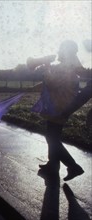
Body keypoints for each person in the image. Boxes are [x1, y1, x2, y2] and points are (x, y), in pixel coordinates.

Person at [29, 40, 85, 181]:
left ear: (66, 51)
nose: (58, 52)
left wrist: (47, 67)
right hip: (59, 105)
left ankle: (73, 166)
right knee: (52, 137)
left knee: (52, 139)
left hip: (59, 107)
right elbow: (50, 83)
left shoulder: (67, 67)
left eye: (61, 49)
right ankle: (52, 166)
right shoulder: (68, 66)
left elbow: (52, 83)